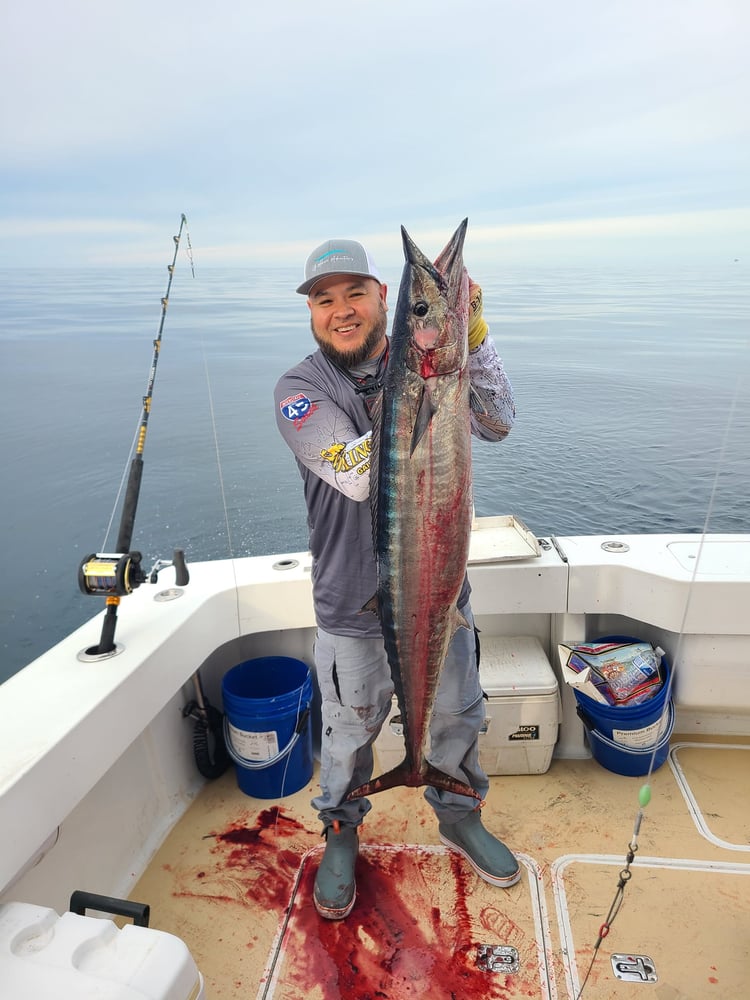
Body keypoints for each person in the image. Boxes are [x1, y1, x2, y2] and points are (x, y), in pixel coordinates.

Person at [274, 237, 518, 919]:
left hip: (442, 596)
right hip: (351, 609)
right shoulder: (300, 390)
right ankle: (343, 832)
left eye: (356, 293)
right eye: (325, 300)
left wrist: (471, 339)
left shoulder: (437, 368)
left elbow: (498, 421)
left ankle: (459, 812)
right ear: (312, 314)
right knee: (348, 734)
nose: (342, 311)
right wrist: (424, 378)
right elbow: (354, 474)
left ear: (384, 299)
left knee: (457, 716)